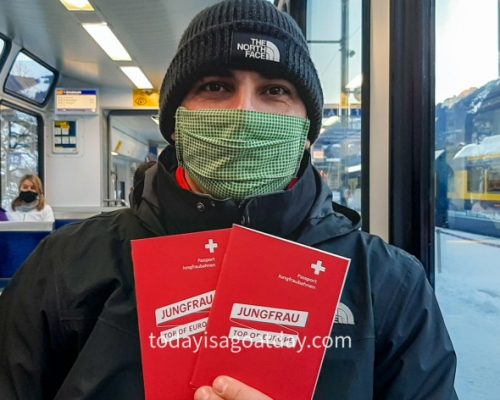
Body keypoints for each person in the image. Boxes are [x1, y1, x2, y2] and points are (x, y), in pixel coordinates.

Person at [0, 1, 457, 399]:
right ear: (175, 122)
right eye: (216, 86)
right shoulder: (64, 269)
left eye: (275, 90)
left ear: (305, 131)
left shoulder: (388, 284)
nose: (245, 111)